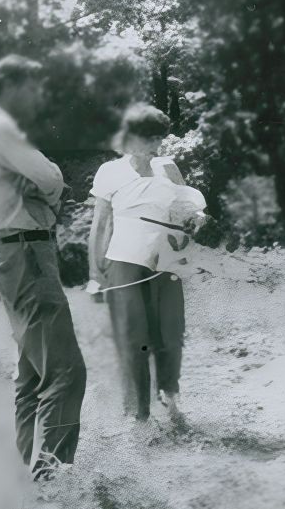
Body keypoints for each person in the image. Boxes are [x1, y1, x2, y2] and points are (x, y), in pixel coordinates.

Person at [0, 54, 86, 480]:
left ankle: (24, 477)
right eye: (32, 88)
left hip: (16, 256)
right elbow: (51, 177)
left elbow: (39, 182)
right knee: (66, 373)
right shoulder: (1, 128)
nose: (37, 97)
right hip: (28, 254)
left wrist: (40, 191)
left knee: (33, 376)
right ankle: (51, 486)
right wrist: (48, 194)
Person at [87, 103, 206, 422]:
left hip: (166, 261)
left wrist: (197, 219)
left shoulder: (168, 167)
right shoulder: (110, 172)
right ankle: (138, 416)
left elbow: (185, 208)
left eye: (158, 138)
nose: (154, 146)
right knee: (133, 337)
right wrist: (94, 274)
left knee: (170, 333)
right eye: (147, 138)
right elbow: (100, 226)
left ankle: (170, 401)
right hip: (124, 262)